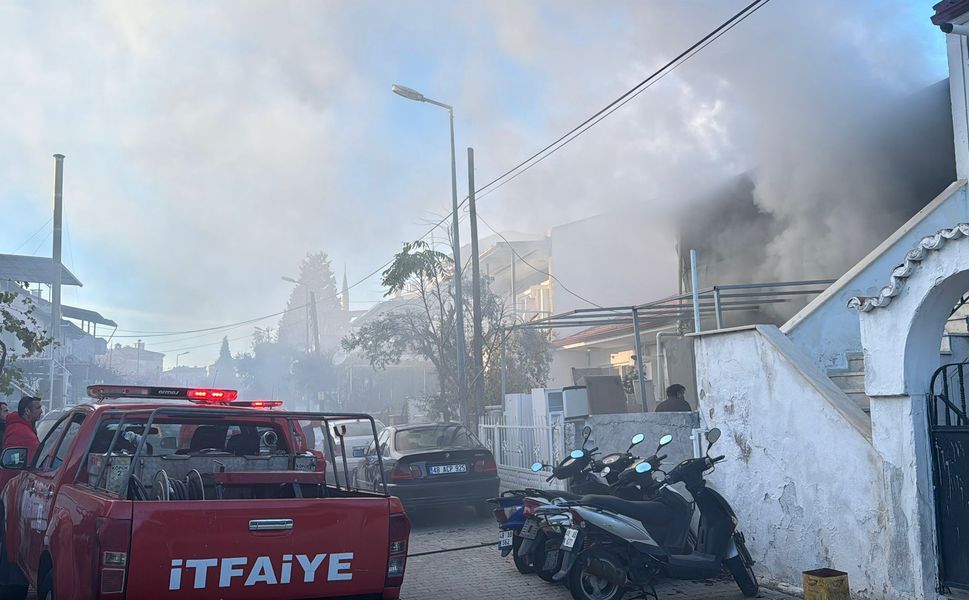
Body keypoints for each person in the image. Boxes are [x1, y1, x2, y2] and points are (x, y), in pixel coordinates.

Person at [3, 396, 42, 461]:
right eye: (38, 408)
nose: (41, 411)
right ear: (27, 411)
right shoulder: (18, 431)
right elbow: (13, 461)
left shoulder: (25, 428)